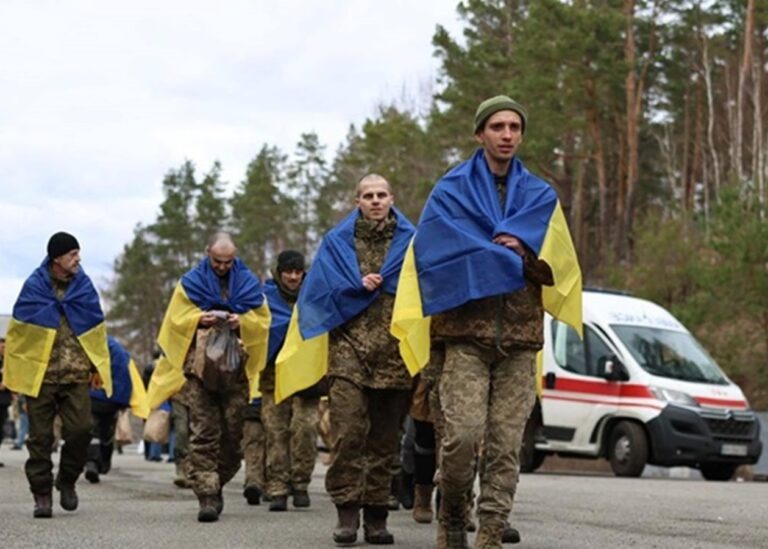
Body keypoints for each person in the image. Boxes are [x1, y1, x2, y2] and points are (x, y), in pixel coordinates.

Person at [391, 96, 582, 548]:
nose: (507, 134)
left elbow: (557, 268)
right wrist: (492, 251)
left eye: (515, 126)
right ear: (480, 134)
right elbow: (432, 259)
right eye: (497, 126)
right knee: (460, 438)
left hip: (519, 338)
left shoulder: (539, 196)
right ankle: (453, 513)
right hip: (463, 338)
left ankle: (491, 534)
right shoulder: (451, 191)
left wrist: (525, 252)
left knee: (504, 447)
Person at [276, 174, 416, 545]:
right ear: (357, 200)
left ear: (392, 198)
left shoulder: (412, 242)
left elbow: (425, 288)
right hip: (347, 353)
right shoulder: (338, 243)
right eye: (367, 195)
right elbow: (318, 294)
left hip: (394, 354)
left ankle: (377, 516)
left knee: (385, 440)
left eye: (381, 195)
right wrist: (355, 286)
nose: (375, 201)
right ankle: (346, 511)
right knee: (349, 434)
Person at [147, 232, 270, 523]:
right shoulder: (190, 283)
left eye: (228, 262)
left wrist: (244, 321)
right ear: (207, 254)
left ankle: (217, 481)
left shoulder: (249, 283)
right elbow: (174, 320)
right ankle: (206, 495)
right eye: (217, 261)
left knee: (232, 435)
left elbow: (263, 320)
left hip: (236, 372)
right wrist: (198, 319)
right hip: (199, 371)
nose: (223, 267)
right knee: (203, 433)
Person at [3, 232, 113, 518]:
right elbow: (20, 332)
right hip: (41, 375)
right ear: (57, 259)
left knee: (80, 431)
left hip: (76, 374)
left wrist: (97, 367)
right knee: (39, 438)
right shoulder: (34, 288)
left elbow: (96, 327)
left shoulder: (84, 287)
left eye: (78, 253)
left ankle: (66, 480)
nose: (78, 259)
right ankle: (41, 493)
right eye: (72, 254)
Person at [256, 250, 320, 511]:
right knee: (275, 430)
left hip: (307, 374)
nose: (293, 277)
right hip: (274, 375)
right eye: (288, 272)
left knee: (306, 428)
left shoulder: (314, 295)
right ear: (279, 273)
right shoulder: (264, 299)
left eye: (297, 272)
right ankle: (278, 486)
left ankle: (301, 481)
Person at [85, 336, 149, 483]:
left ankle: (92, 462)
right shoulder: (117, 349)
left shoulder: (88, 344)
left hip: (94, 394)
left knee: (93, 429)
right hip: (111, 398)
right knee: (106, 430)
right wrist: (122, 401)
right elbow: (124, 375)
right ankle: (102, 463)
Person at [0, 337, 12, 467]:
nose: (4, 349)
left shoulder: (8, 362)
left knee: (1, 428)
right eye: (3, 347)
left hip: (4, 400)